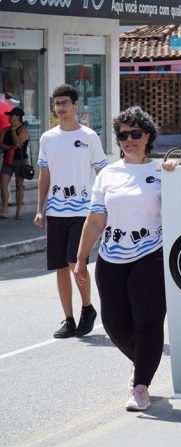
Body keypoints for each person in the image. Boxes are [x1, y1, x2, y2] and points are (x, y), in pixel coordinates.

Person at [74, 107, 167, 412]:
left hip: (151, 254)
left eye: (135, 133)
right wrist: (80, 257)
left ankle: (140, 385)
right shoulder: (109, 175)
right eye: (123, 135)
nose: (129, 140)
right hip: (111, 256)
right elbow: (95, 218)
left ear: (147, 136)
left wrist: (178, 174)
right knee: (113, 323)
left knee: (147, 323)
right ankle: (143, 363)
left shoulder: (163, 171)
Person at [34, 84, 106, 338]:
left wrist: (104, 206)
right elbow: (45, 175)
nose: (60, 108)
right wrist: (40, 208)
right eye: (56, 103)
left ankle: (87, 308)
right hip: (56, 211)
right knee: (60, 267)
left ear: (76, 105)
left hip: (82, 212)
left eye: (65, 103)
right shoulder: (47, 138)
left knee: (76, 262)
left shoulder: (89, 137)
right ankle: (68, 319)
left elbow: (102, 174)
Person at [1, 107, 30, 220]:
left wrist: (13, 131)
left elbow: (18, 144)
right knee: (3, 184)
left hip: (20, 161)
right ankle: (5, 210)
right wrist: (9, 147)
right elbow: (0, 144)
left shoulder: (24, 130)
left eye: (11, 115)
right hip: (8, 159)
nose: (9, 117)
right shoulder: (5, 130)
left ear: (17, 117)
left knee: (19, 186)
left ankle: (18, 211)